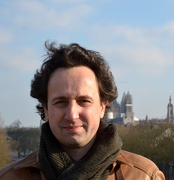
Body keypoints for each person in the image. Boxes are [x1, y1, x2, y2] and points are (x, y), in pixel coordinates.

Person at [0, 42, 165, 180]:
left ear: (102, 107)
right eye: (61, 102)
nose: (72, 114)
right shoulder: (10, 177)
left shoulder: (144, 175)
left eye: (84, 101)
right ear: (46, 108)